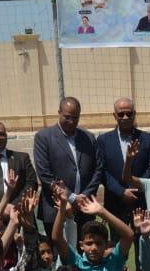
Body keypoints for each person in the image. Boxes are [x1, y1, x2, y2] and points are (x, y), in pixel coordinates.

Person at [33, 97, 104, 227]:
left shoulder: (88, 138)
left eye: (75, 117)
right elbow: (44, 174)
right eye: (67, 117)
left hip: (85, 208)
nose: (71, 121)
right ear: (59, 113)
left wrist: (84, 196)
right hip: (56, 209)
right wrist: (71, 197)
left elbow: (98, 169)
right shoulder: (43, 137)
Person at [96, 97, 150, 227]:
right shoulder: (103, 140)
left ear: (134, 114)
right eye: (121, 114)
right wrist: (121, 192)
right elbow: (102, 171)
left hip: (141, 200)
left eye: (129, 114)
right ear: (114, 115)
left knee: (142, 237)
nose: (125, 117)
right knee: (117, 238)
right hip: (115, 201)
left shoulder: (147, 139)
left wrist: (138, 186)